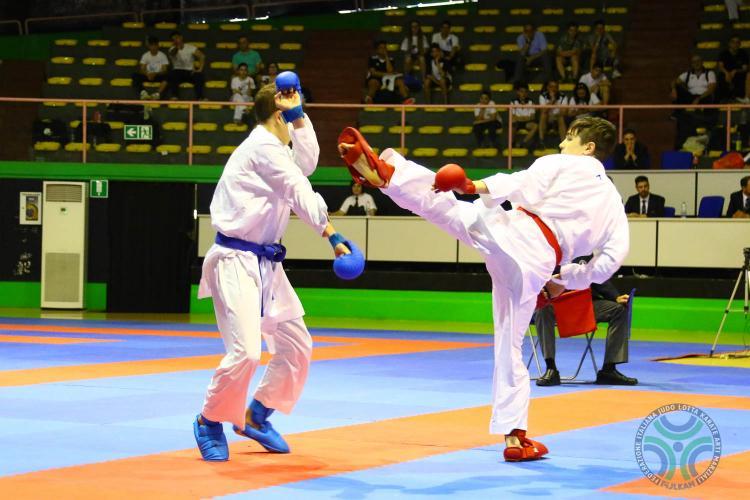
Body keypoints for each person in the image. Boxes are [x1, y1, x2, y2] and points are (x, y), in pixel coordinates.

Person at [338, 116, 628, 462]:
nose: (563, 143)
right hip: (539, 264)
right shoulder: (614, 204)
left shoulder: (563, 162)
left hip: (516, 231)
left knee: (451, 209)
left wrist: (473, 185)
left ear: (588, 147)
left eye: (569, 137)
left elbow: (521, 182)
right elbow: (612, 259)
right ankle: (515, 436)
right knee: (511, 345)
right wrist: (565, 280)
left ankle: (390, 173)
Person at [194, 76, 356, 462]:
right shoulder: (262, 149)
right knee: (247, 352)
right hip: (235, 260)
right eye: (292, 116)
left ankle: (257, 414)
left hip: (265, 262)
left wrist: (300, 117)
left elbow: (308, 163)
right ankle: (209, 420)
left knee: (298, 346)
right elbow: (300, 189)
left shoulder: (278, 150)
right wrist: (332, 236)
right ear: (276, 116)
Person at [535, 275, 637, 386]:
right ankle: (551, 368)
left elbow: (596, 274)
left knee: (618, 310)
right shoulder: (548, 258)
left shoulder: (584, 257)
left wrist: (615, 296)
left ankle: (609, 370)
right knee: (542, 308)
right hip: (555, 304)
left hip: (585, 304)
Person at [365, 40, 413, 104]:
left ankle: (406, 99)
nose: (383, 50)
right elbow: (374, 73)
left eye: (385, 48)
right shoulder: (372, 59)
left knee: (400, 81)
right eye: (381, 48)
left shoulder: (391, 59)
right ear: (377, 50)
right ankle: (369, 99)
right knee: (373, 82)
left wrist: (386, 57)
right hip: (376, 79)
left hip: (389, 80)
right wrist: (386, 74)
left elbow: (390, 70)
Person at [166, 31, 206, 100]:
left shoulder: (190, 47)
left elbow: (202, 56)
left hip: (190, 71)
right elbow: (173, 53)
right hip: (178, 71)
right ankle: (174, 96)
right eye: (173, 40)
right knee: (172, 75)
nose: (176, 40)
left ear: (181, 38)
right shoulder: (171, 49)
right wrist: (177, 47)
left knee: (199, 76)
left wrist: (200, 69)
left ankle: (200, 97)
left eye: (177, 38)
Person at [718, 35, 750, 102]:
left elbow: (745, 68)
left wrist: (736, 71)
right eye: (733, 42)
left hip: (739, 74)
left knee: (747, 75)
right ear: (729, 43)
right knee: (721, 77)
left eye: (737, 42)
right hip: (726, 74)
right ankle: (723, 99)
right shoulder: (724, 53)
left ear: (740, 44)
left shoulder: (743, 53)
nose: (735, 44)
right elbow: (720, 67)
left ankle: (745, 98)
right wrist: (726, 73)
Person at [510, 81, 539, 149]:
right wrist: (524, 118)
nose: (523, 94)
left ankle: (523, 143)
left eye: (525, 92)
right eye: (521, 91)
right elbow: (513, 116)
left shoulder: (531, 102)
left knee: (535, 126)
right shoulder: (513, 102)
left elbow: (532, 117)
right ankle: (512, 143)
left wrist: (520, 118)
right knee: (512, 122)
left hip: (527, 123)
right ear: (518, 92)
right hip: (517, 123)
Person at [538, 79, 567, 146]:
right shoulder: (542, 95)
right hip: (547, 118)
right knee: (543, 115)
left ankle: (564, 144)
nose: (553, 89)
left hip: (558, 117)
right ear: (547, 87)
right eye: (551, 86)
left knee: (561, 117)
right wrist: (552, 100)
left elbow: (564, 111)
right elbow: (543, 111)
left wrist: (555, 115)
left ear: (558, 88)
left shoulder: (563, 96)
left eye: (555, 87)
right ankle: (541, 141)